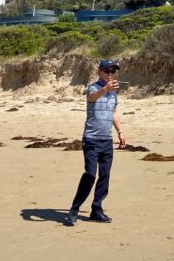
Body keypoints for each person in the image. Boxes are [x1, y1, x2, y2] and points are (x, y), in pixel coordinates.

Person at [64, 58, 127, 226]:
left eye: (113, 71)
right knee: (90, 174)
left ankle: (96, 210)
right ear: (100, 72)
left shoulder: (114, 92)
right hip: (91, 139)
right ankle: (74, 208)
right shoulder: (93, 87)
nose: (110, 74)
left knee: (104, 176)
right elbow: (92, 97)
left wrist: (120, 131)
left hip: (107, 140)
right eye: (107, 71)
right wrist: (106, 88)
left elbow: (114, 111)